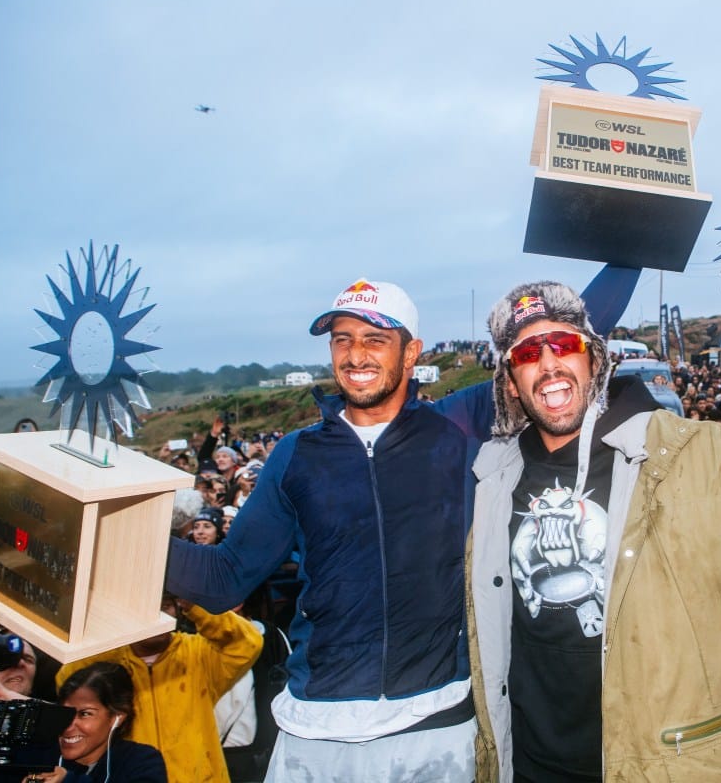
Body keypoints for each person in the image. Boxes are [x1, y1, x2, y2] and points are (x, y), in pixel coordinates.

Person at [164, 271, 636, 781]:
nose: (355, 355)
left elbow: (563, 328)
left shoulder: (456, 429)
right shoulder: (295, 455)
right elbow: (226, 577)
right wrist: (107, 544)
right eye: (341, 339)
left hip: (436, 723)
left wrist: (632, 239)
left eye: (374, 340)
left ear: (411, 354)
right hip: (316, 728)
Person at [466, 281, 721, 781]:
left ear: (594, 358)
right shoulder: (491, 480)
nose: (549, 362)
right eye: (529, 352)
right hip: (532, 767)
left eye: (565, 344)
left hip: (668, 766)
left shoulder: (695, 453)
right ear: (510, 380)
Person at [56, 595, 262, 783]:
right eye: (145, 608)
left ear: (179, 609)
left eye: (165, 606)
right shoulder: (109, 661)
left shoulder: (199, 654)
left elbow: (248, 643)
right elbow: (66, 679)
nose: (156, 617)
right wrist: (114, 633)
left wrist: (193, 601)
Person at [36, 662, 167, 783]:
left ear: (117, 716)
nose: (67, 726)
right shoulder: (40, 755)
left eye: (85, 714)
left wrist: (69, 780)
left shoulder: (141, 761)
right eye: (64, 712)